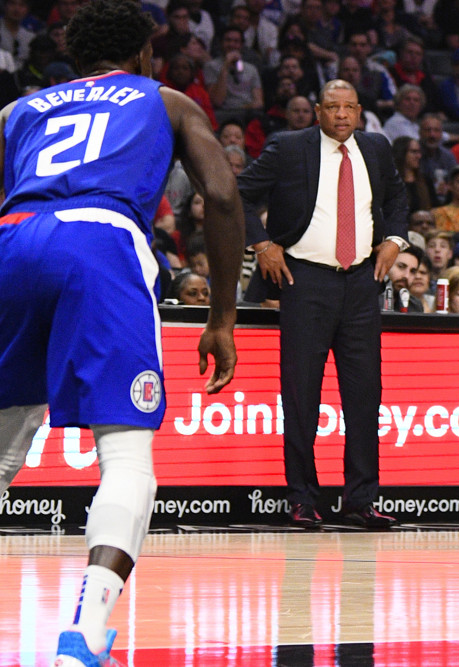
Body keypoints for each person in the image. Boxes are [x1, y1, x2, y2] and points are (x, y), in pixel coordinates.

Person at [0, 0, 243, 663]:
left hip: (12, 241)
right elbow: (222, 196)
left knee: (2, 451)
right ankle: (83, 633)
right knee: (127, 457)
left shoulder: (17, 111)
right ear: (142, 55)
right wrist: (222, 317)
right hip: (101, 243)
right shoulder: (163, 100)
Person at [237, 80, 409, 530]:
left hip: (362, 282)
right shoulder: (289, 147)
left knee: (365, 395)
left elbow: (397, 197)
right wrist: (262, 244)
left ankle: (361, 499)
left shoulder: (376, 147)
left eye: (349, 107)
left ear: (360, 110)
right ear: (317, 111)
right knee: (301, 396)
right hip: (304, 280)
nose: (341, 115)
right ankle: (302, 498)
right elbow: (239, 193)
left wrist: (395, 239)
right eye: (333, 107)